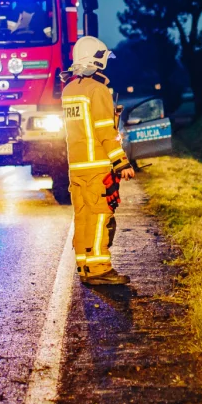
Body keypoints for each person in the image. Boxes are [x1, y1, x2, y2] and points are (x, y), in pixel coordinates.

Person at [61, 36, 136, 285]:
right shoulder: (98, 90)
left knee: (82, 216)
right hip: (96, 168)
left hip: (77, 167)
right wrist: (121, 162)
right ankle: (100, 269)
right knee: (100, 216)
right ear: (95, 59)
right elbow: (104, 131)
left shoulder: (70, 90)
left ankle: (84, 265)